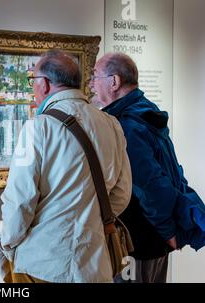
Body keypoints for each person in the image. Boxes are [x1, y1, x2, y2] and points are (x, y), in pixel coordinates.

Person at [0, 50, 132, 283]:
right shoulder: (111, 124)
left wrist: (8, 245)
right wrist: (88, 221)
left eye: (33, 81)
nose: (33, 88)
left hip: (43, 264)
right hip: (94, 264)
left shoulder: (37, 128)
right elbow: (121, 193)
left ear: (45, 84)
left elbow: (20, 202)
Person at [90, 52, 205, 283]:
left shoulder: (127, 125)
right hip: (152, 239)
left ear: (114, 82)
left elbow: (150, 183)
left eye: (95, 76)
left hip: (138, 240)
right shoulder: (145, 111)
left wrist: (169, 231)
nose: (91, 83)